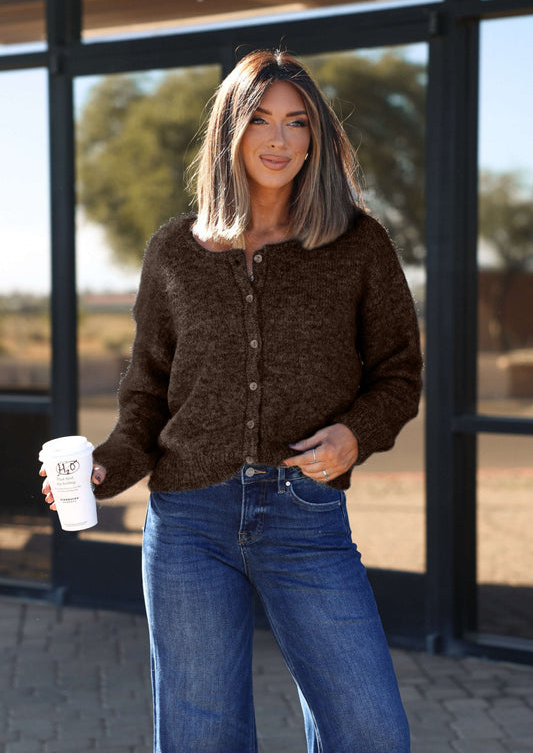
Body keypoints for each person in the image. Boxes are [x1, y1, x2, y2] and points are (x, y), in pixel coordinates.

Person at [42, 49, 422, 753]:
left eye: (296, 122)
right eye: (260, 120)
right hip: (188, 521)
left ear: (315, 137)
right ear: (230, 131)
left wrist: (351, 437)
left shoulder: (357, 244)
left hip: (305, 518)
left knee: (369, 731)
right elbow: (147, 395)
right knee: (199, 739)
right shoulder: (173, 251)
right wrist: (103, 468)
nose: (278, 140)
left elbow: (399, 374)